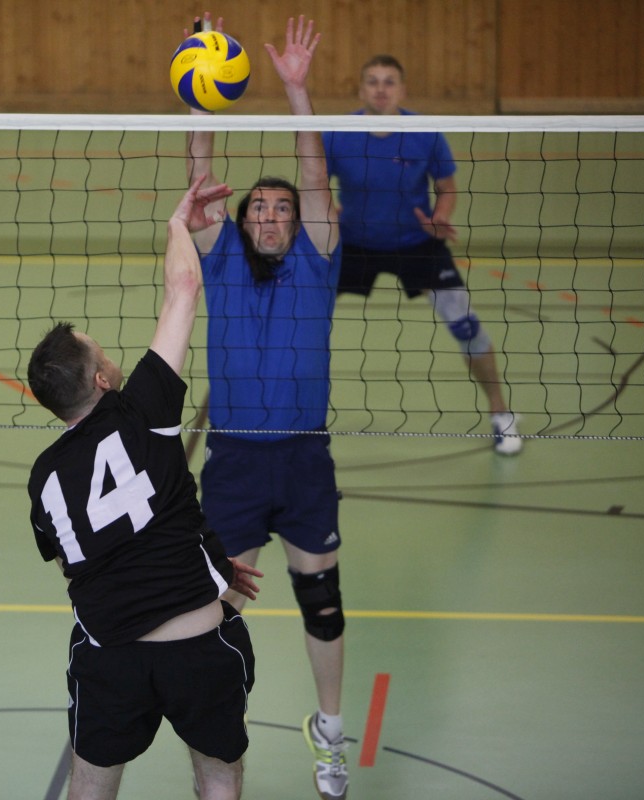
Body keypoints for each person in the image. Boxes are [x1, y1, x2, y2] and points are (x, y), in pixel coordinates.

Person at [26, 176, 265, 800]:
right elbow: (183, 287)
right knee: (219, 774)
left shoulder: (43, 479)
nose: (110, 356)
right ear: (103, 381)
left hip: (111, 658)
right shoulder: (143, 412)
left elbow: (74, 560)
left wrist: (203, 557)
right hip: (197, 646)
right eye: (101, 353)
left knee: (89, 784)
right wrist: (177, 224)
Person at [184, 14, 349, 800]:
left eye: (282, 208)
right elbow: (200, 174)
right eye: (259, 209)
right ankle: (217, 738)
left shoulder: (318, 260)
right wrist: (198, 96)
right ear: (242, 220)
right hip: (236, 464)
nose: (271, 216)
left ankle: (331, 732)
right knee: (214, 608)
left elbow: (315, 179)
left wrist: (296, 90)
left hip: (305, 458)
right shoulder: (219, 260)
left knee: (322, 600)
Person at [323, 54, 522, 455]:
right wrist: (328, 214)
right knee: (300, 318)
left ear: (402, 89)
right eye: (373, 81)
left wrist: (439, 216)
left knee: (466, 326)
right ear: (361, 89)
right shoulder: (337, 133)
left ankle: (501, 412)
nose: (381, 89)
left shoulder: (424, 132)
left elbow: (447, 187)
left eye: (389, 81)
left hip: (417, 242)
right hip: (353, 243)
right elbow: (315, 185)